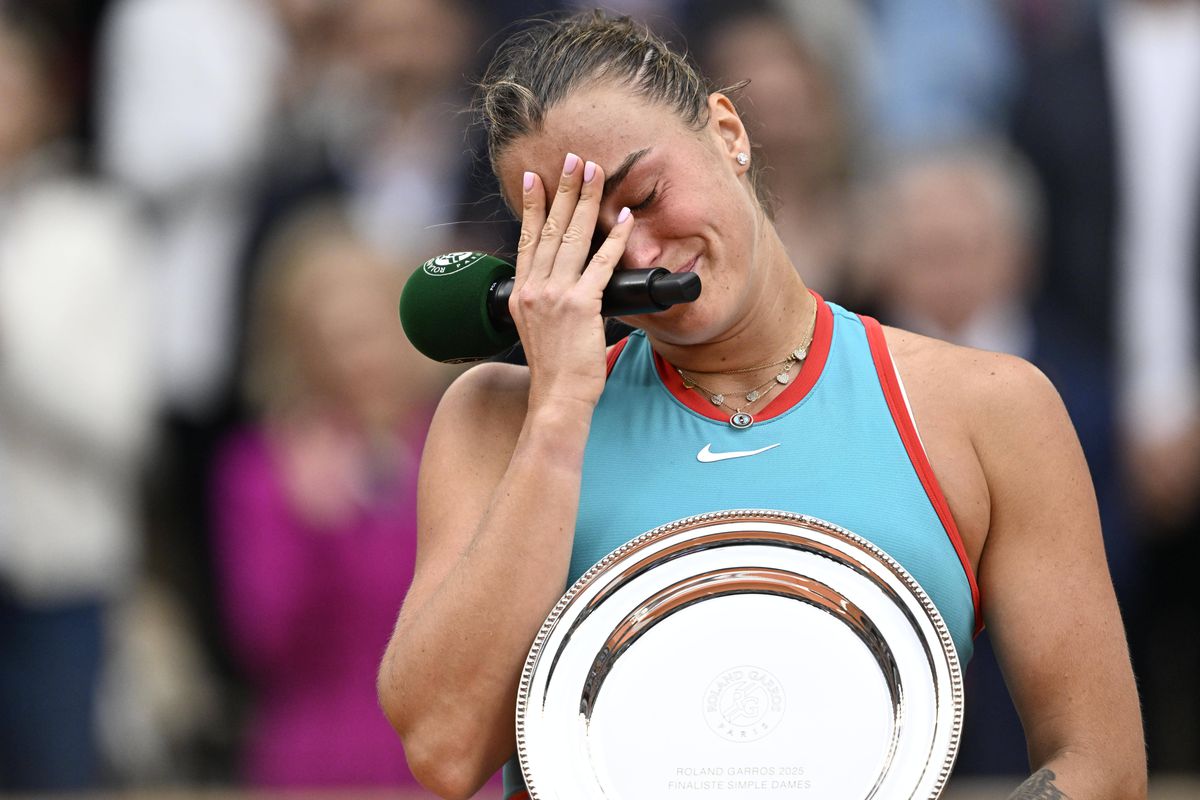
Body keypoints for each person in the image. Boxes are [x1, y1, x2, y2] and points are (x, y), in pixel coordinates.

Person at [376, 11, 1145, 800]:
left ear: (728, 132)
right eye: (582, 240)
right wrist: (561, 413)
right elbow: (446, 745)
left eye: (645, 194)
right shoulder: (501, 419)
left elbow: (1102, 763)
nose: (636, 255)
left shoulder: (986, 408)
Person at [211, 207, 444, 788]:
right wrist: (315, 525)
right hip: (320, 764)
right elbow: (263, 643)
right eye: (332, 338)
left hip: (453, 758)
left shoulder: (457, 443)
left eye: (369, 330)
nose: (356, 358)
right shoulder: (263, 467)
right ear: (300, 350)